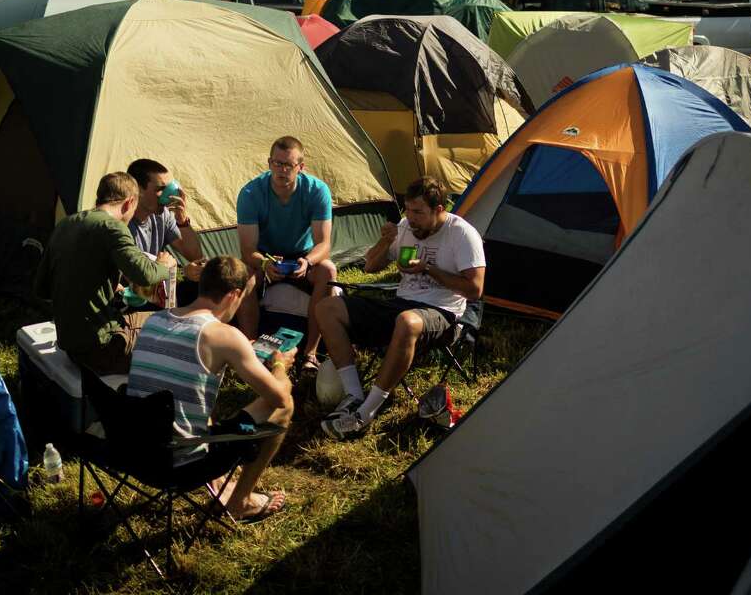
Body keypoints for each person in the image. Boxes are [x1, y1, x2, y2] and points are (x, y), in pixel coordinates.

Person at [316, 177, 485, 440]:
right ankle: (354, 395)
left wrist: (427, 269)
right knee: (328, 307)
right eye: (408, 209)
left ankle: (367, 411)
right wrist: (385, 242)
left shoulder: (461, 233)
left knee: (407, 322)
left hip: (442, 312)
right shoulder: (406, 227)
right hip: (401, 304)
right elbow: (370, 267)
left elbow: (475, 289)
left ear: (439, 209)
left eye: (418, 212)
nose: (411, 217)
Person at [128, 256, 294, 522]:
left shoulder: (154, 320)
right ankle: (241, 501)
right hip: (177, 465)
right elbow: (278, 395)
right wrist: (279, 365)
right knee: (285, 406)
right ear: (235, 295)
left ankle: (217, 481)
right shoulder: (224, 335)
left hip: (131, 450)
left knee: (194, 389)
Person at [34, 172, 173, 375]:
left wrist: (102, 285)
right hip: (103, 349)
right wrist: (163, 265)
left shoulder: (67, 223)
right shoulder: (112, 227)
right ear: (129, 202)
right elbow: (145, 275)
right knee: (174, 324)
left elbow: (42, 288)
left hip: (71, 345)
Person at [235, 137, 338, 368]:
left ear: (300, 167)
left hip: (303, 256)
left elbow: (324, 244)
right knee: (244, 275)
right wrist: (264, 264)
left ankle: (310, 353)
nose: (281, 170)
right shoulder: (251, 193)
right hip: (265, 258)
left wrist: (308, 262)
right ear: (269, 162)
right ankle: (250, 351)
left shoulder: (317, 191)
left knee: (328, 271)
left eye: (288, 165)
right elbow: (247, 249)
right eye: (277, 163)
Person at [126, 158, 207, 300]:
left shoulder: (162, 214)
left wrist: (182, 220)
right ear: (138, 190)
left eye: (169, 188)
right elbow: (140, 284)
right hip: (132, 294)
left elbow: (195, 256)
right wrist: (181, 274)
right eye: (160, 189)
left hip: (158, 282)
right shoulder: (123, 223)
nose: (167, 196)